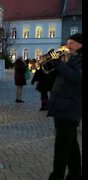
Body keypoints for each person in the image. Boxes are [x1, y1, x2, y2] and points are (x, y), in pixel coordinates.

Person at [46, 33, 82, 180]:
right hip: (62, 106)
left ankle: (57, 176)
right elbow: (57, 75)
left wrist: (59, 63)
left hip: (70, 107)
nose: (68, 46)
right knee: (71, 144)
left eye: (72, 43)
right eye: (67, 43)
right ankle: (75, 174)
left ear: (80, 44)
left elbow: (75, 77)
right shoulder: (71, 58)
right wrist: (51, 62)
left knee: (61, 146)